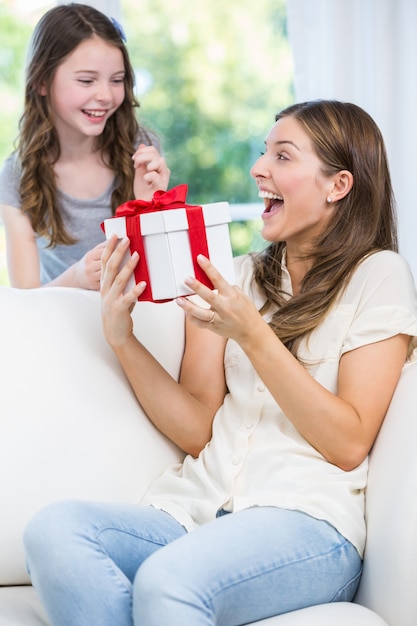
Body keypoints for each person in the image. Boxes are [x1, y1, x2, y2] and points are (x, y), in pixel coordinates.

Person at [23, 100, 417, 625]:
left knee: (169, 581)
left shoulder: (379, 275)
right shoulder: (236, 277)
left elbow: (348, 444)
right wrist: (122, 339)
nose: (259, 169)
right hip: (194, 513)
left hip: (305, 522)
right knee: (55, 532)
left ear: (337, 185)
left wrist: (252, 334)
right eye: (262, 154)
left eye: (282, 156)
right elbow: (197, 429)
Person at [0, 3, 170, 290]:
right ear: (42, 81)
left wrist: (151, 206)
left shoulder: (141, 150)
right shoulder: (17, 175)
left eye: (117, 80)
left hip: (135, 322)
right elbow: (25, 298)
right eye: (86, 80)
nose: (104, 95)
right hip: (58, 324)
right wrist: (77, 278)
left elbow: (164, 273)